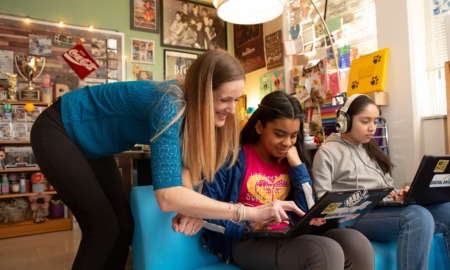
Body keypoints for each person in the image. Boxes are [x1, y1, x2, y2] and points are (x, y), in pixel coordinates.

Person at [30, 50, 303, 269]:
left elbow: (183, 170)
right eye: (225, 99)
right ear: (201, 92)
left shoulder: (190, 114)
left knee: (123, 226)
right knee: (102, 229)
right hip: (60, 130)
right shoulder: (169, 103)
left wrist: (195, 209)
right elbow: (167, 196)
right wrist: (247, 212)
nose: (232, 109)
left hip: (95, 146)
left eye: (236, 99)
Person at [198, 91, 374, 269]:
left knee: (356, 243)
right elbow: (207, 211)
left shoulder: (291, 162)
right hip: (247, 239)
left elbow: (306, 213)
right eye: (279, 134)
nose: (287, 142)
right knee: (325, 251)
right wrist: (248, 227)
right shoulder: (233, 158)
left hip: (287, 234)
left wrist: (298, 167)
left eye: (293, 135)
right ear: (259, 127)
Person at [312, 94, 450, 270]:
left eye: (375, 121)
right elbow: (323, 202)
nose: (372, 128)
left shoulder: (371, 150)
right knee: (417, 217)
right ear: (345, 121)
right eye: (365, 121)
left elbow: (388, 186)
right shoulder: (327, 152)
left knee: (447, 211)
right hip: (355, 216)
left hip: (384, 209)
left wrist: (400, 194)